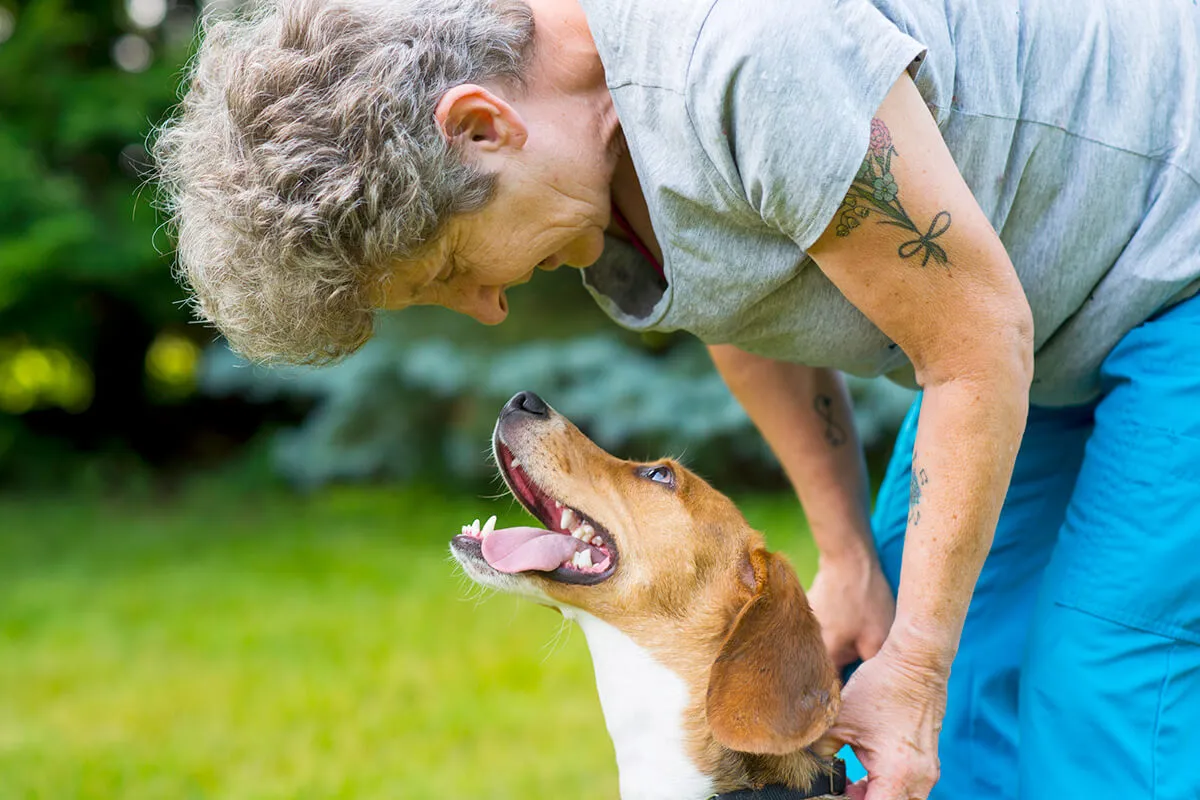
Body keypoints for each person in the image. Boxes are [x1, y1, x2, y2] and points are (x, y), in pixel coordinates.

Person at [152, 0, 1200, 797]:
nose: (486, 307)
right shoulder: (600, 166)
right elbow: (751, 310)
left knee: (1100, 683)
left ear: (480, 126)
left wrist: (917, 666)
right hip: (1046, 324)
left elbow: (974, 346)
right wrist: (847, 557)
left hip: (1172, 269)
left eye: (453, 268)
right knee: (937, 692)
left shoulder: (748, 56)